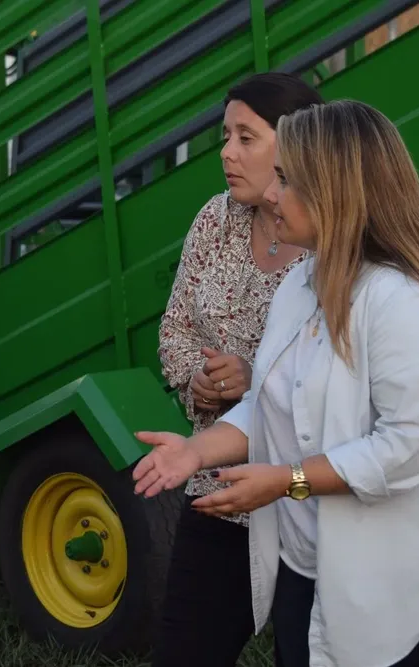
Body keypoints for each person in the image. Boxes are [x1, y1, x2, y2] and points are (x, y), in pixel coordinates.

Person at [134, 99, 419, 667]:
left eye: (286, 180)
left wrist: (286, 481)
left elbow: (406, 447)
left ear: (335, 191)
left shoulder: (404, 305)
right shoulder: (302, 285)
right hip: (320, 565)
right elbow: (272, 401)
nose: (270, 195)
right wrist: (196, 451)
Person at [154, 72, 323, 667]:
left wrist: (257, 381)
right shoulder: (214, 220)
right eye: (225, 135)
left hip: (311, 501)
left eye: (246, 137)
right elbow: (174, 332)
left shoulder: (333, 244)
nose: (227, 152)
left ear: (297, 144)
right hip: (219, 491)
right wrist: (197, 381)